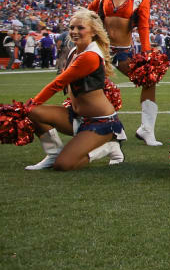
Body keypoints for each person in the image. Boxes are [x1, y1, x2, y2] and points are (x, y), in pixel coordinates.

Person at [21, 9, 124, 170]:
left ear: (93, 31)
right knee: (33, 112)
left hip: (100, 122)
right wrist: (30, 107)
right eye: (71, 28)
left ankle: (109, 146)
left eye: (80, 28)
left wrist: (32, 101)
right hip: (76, 117)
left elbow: (58, 83)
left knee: (64, 165)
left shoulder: (89, 55)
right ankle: (53, 153)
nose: (74, 32)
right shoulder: (74, 51)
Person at [87, 0, 161, 147]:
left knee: (149, 81)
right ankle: (100, 129)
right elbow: (88, 13)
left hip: (122, 53)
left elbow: (143, 27)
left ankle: (146, 130)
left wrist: (146, 54)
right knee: (92, 90)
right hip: (100, 52)